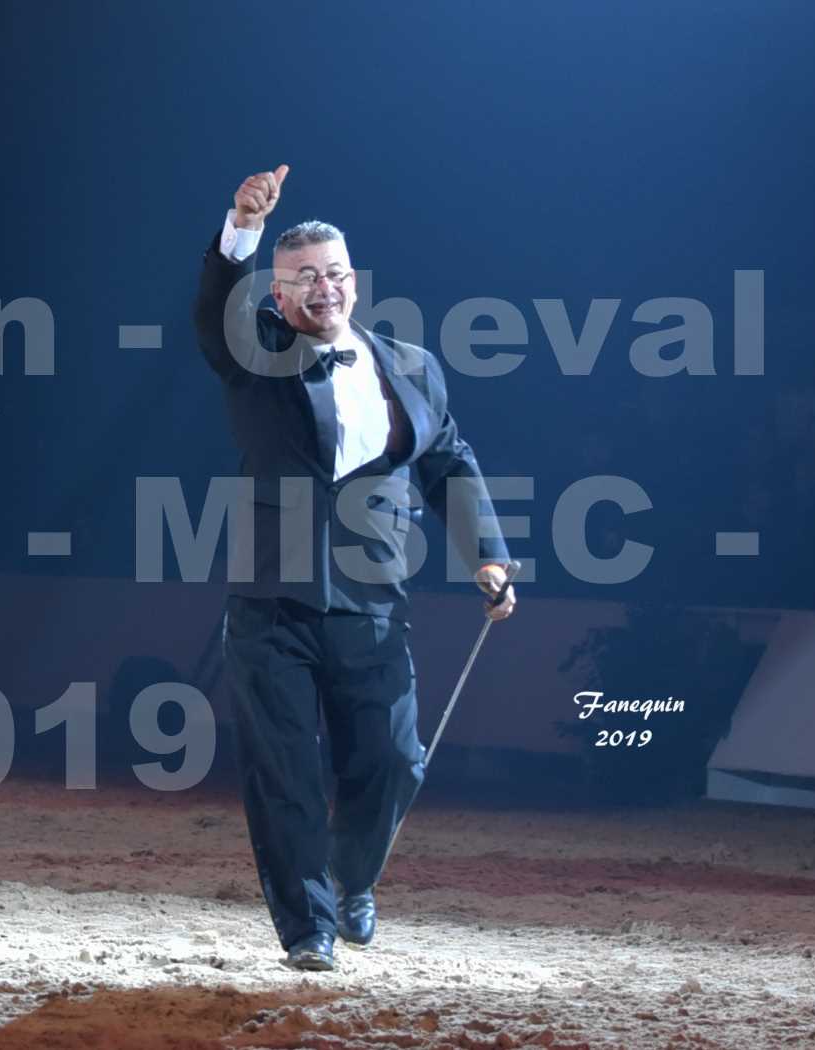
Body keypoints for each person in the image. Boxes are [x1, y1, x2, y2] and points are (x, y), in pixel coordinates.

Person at [193, 164, 518, 971]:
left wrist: (486, 556)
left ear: (354, 281)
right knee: (286, 772)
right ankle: (306, 928)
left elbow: (448, 460)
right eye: (302, 278)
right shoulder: (254, 355)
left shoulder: (410, 367)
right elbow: (212, 307)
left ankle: (351, 879)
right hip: (271, 601)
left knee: (392, 757)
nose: (323, 288)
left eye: (334, 273)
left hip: (375, 596)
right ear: (277, 297)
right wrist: (240, 228)